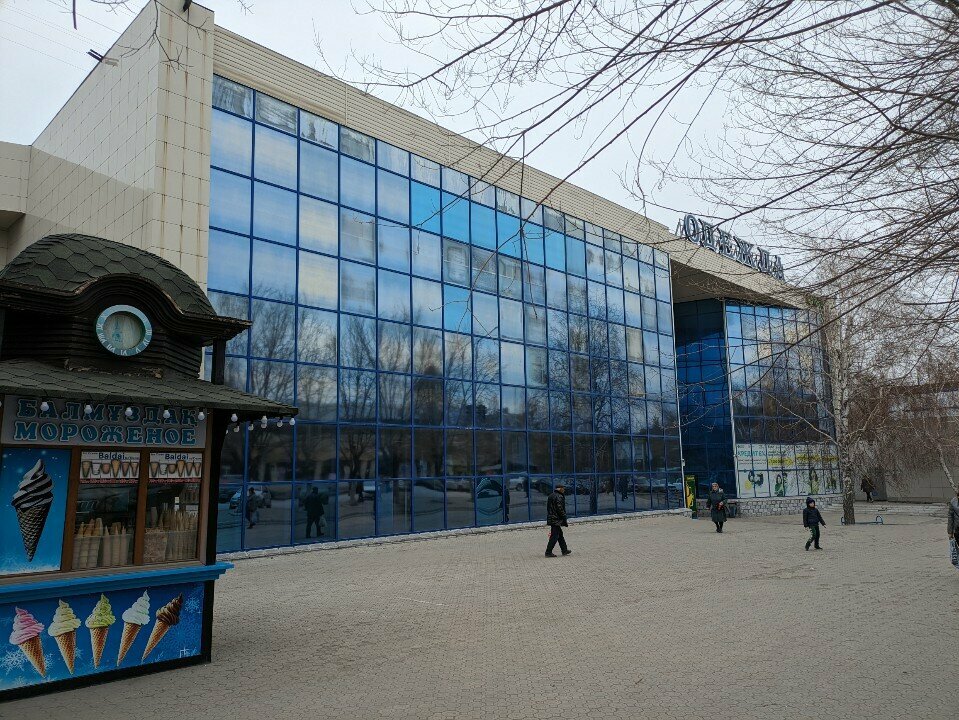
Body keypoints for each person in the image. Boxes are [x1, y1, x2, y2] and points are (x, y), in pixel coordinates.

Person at [545, 483, 572, 557]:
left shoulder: (551, 495)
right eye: (563, 488)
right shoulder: (559, 496)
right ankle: (548, 552)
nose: (564, 490)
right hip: (556, 519)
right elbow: (559, 508)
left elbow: (549, 508)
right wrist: (564, 516)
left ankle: (564, 550)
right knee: (554, 536)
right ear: (560, 489)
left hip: (552, 518)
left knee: (560, 535)